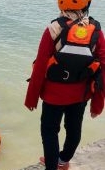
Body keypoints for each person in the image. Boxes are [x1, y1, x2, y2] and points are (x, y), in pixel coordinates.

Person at [25, 0, 105, 170]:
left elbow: (40, 66)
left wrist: (31, 98)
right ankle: (63, 160)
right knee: (74, 129)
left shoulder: (54, 29)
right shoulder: (96, 30)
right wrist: (98, 103)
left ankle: (52, 166)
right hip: (81, 95)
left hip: (53, 96)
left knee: (49, 131)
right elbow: (102, 68)